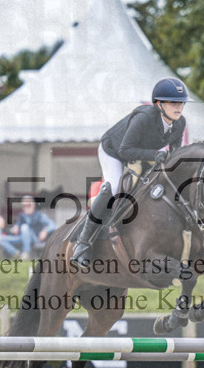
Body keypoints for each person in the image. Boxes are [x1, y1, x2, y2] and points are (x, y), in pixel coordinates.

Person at [71, 77, 189, 268]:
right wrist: (155, 155)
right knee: (114, 187)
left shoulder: (180, 123)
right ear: (159, 104)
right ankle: (83, 243)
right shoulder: (144, 118)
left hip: (143, 153)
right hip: (114, 150)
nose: (179, 107)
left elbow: (174, 156)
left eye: (182, 103)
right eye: (173, 103)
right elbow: (125, 150)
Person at [1, 195, 57, 260]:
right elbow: (16, 227)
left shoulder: (39, 215)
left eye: (28, 205)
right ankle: (16, 254)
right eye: (24, 206)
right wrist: (14, 228)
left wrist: (45, 231)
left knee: (24, 227)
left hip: (35, 238)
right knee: (1, 238)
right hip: (22, 238)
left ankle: (26, 252)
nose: (26, 208)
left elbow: (53, 225)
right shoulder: (21, 216)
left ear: (33, 206)